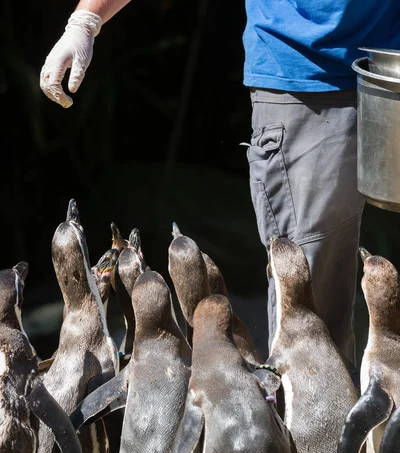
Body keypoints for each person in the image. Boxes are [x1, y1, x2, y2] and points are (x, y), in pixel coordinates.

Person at [40, 1, 400, 364]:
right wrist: (86, 20)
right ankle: (315, 417)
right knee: (310, 304)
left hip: (391, 64)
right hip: (306, 74)